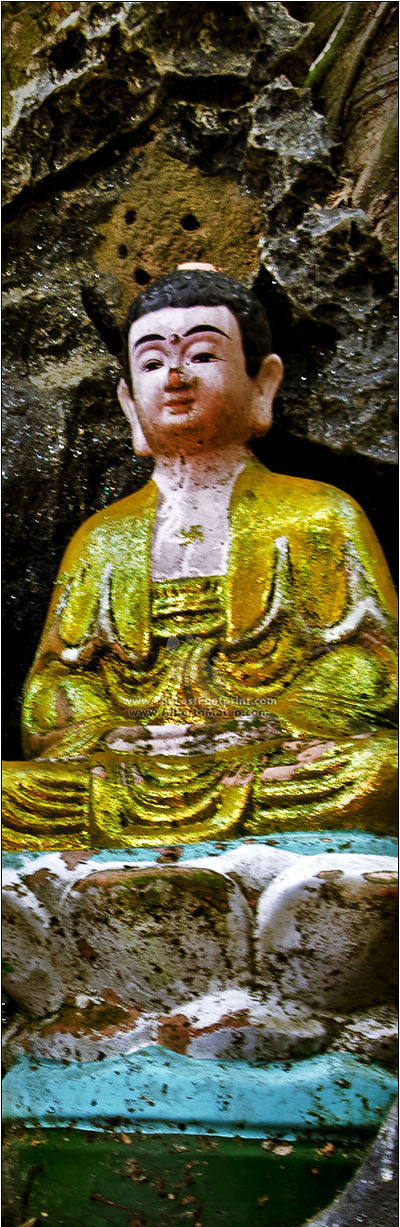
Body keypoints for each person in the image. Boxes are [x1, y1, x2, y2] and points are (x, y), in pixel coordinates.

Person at [3, 267, 397, 849]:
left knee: (380, 772)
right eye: (153, 364)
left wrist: (281, 718)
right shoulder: (102, 538)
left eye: (203, 356)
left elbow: (376, 668)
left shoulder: (319, 513)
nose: (177, 378)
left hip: (276, 753)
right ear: (130, 401)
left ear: (262, 382)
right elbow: (50, 692)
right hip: (125, 765)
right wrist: (107, 731)